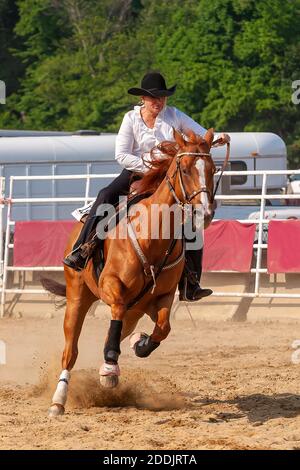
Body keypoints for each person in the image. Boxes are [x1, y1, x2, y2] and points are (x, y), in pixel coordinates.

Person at [63, 72, 230, 301]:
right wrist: (147, 166)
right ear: (143, 98)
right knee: (106, 195)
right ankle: (83, 249)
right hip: (136, 172)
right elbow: (121, 154)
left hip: (167, 179)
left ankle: (191, 281)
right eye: (153, 98)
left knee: (189, 221)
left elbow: (200, 134)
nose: (158, 102)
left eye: (161, 97)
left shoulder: (174, 115)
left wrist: (219, 137)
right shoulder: (130, 119)